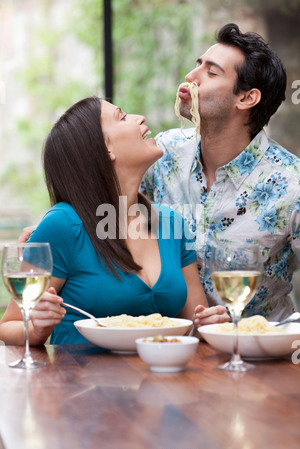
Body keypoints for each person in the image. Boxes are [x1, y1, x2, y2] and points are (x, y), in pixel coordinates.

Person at [0, 97, 228, 346]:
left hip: (158, 381)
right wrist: (36, 329)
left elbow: (195, 324)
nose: (139, 118)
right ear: (105, 148)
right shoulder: (62, 225)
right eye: (122, 116)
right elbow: (9, 326)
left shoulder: (171, 222)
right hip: (79, 383)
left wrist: (209, 325)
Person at [141, 23, 300, 322]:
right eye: (198, 64)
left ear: (246, 98)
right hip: (168, 347)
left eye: (211, 72)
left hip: (258, 358)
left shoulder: (292, 185)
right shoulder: (163, 154)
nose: (191, 77)